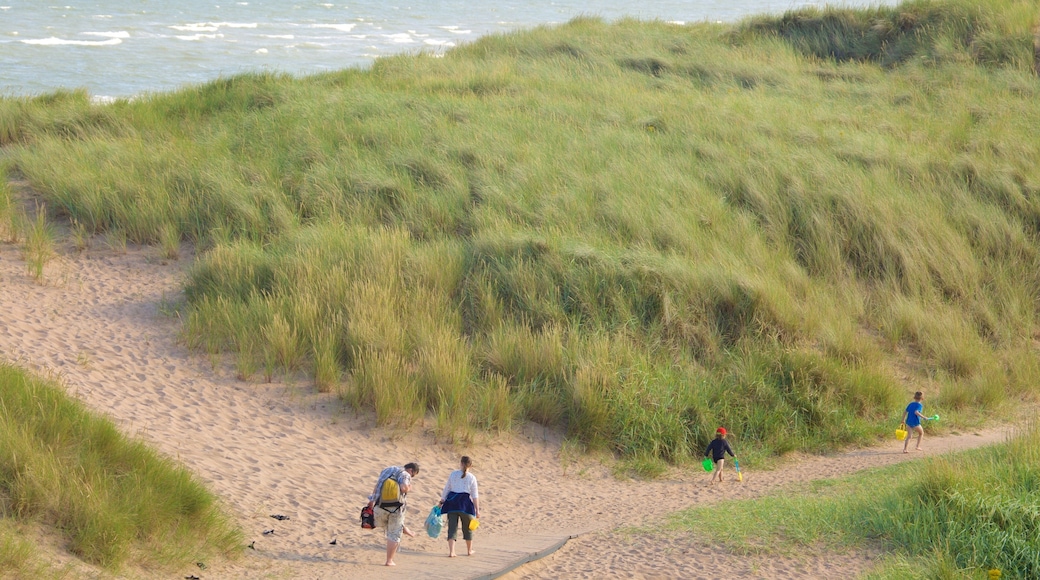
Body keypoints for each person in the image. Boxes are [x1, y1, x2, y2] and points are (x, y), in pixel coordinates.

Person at [368, 462, 420, 566]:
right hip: (396, 508)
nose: (411, 476)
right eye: (413, 475)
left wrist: (371, 501)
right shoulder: (406, 474)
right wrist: (409, 488)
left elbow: (378, 485)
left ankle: (403, 527)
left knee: (386, 524)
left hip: (380, 505)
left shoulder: (387, 469)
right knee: (394, 534)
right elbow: (404, 487)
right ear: (411, 470)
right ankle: (389, 560)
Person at [439, 456, 480, 557]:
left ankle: (452, 552)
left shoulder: (453, 474)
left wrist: (442, 500)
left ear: (461, 463)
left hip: (452, 503)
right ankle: (469, 550)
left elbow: (447, 488)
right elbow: (475, 495)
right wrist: (477, 510)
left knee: (452, 528)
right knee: (468, 528)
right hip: (465, 504)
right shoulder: (472, 477)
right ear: (470, 465)